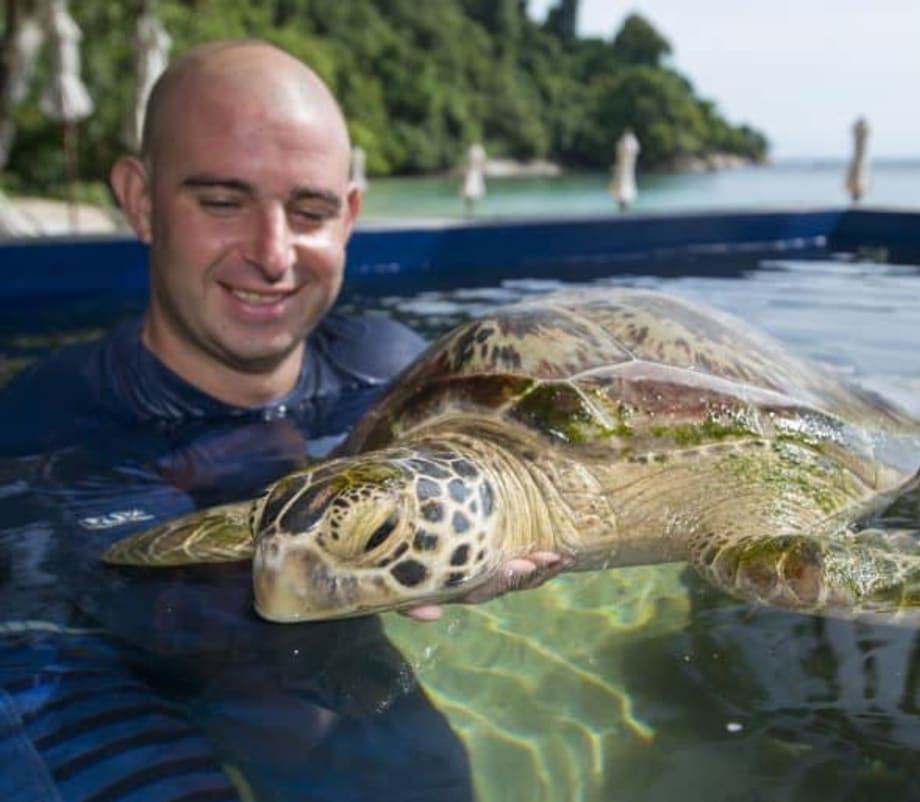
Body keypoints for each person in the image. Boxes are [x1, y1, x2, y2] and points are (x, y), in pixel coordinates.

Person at [0, 39, 560, 801]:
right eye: (223, 201)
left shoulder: (390, 370)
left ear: (350, 215)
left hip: (324, 679)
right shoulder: (48, 422)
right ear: (140, 201)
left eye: (309, 210)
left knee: (426, 782)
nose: (273, 254)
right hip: (89, 668)